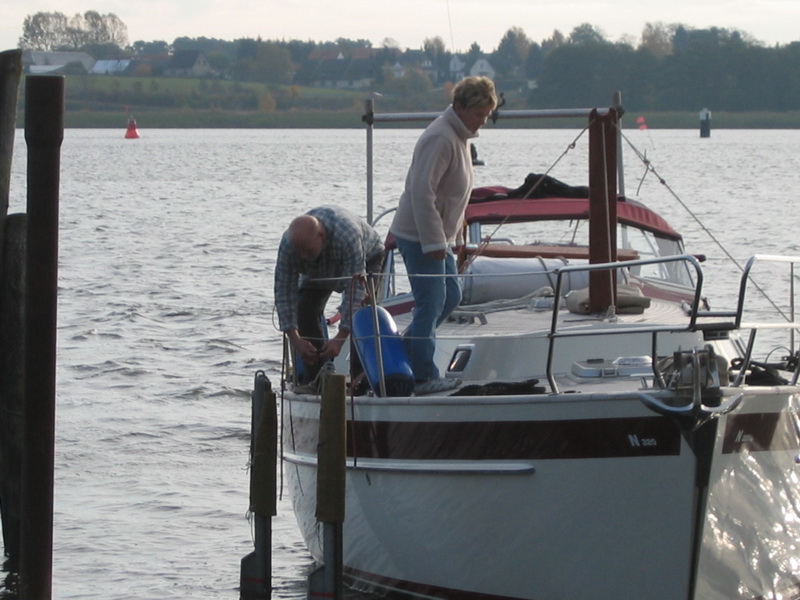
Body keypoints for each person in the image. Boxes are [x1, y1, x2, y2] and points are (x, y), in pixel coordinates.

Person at [389, 75, 498, 395]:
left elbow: (454, 194)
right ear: (460, 107)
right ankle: (423, 376)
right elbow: (422, 191)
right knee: (432, 302)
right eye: (478, 114)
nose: (483, 121)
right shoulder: (440, 137)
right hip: (419, 236)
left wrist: (457, 238)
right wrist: (434, 241)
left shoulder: (460, 137)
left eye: (487, 115)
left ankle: (404, 349)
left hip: (440, 237)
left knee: (451, 296)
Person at [274, 205, 384, 383]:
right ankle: (318, 375)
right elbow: (283, 292)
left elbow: (355, 292)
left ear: (321, 236)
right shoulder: (289, 244)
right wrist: (295, 339)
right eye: (299, 252)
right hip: (318, 266)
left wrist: (340, 339)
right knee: (305, 307)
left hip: (368, 256)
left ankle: (360, 378)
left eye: (307, 250)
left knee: (363, 313)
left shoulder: (347, 236)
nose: (302, 256)